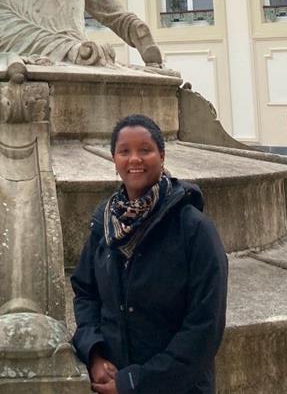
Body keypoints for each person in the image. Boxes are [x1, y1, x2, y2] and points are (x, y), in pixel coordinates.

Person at [71, 114, 228, 394]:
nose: (134, 159)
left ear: (162, 155)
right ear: (114, 159)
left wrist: (136, 382)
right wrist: (93, 352)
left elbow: (205, 325)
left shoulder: (194, 229)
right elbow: (86, 292)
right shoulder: (105, 225)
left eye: (145, 150)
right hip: (113, 379)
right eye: (124, 151)